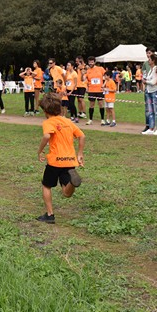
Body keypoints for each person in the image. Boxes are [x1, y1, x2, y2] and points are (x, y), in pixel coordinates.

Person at [36, 93, 85, 224]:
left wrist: (40, 151)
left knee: (46, 186)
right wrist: (80, 154)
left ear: (45, 111)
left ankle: (50, 214)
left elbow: (47, 136)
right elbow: (82, 136)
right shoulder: (68, 121)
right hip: (69, 161)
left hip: (54, 161)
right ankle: (72, 183)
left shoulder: (48, 122)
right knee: (66, 192)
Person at [142, 53, 157, 135]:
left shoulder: (155, 69)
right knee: (150, 111)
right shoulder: (150, 69)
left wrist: (145, 81)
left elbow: (153, 82)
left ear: (153, 61)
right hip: (149, 91)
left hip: (155, 92)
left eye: (150, 59)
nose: (148, 60)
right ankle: (151, 128)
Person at [84, 56, 106, 125]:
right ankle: (90, 119)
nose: (90, 63)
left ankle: (102, 119)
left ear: (94, 62)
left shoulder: (101, 69)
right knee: (91, 105)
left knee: (101, 104)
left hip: (99, 90)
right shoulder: (88, 71)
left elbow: (106, 77)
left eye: (92, 62)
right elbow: (85, 79)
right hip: (91, 90)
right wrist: (86, 86)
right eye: (89, 62)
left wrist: (104, 85)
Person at [141, 47, 156, 132]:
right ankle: (148, 125)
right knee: (147, 108)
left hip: (156, 88)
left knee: (156, 108)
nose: (148, 55)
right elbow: (144, 73)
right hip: (147, 88)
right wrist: (144, 81)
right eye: (147, 53)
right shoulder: (145, 64)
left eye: (149, 53)